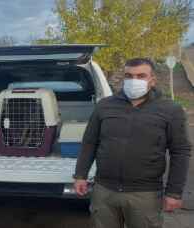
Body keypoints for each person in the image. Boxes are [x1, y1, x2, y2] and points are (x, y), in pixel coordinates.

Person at [73, 58, 192, 228]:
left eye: (141, 76)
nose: (133, 81)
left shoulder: (170, 110)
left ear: (152, 80)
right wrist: (80, 175)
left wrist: (174, 192)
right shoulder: (105, 106)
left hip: (145, 194)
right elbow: (89, 142)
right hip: (104, 190)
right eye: (129, 76)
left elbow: (180, 151)